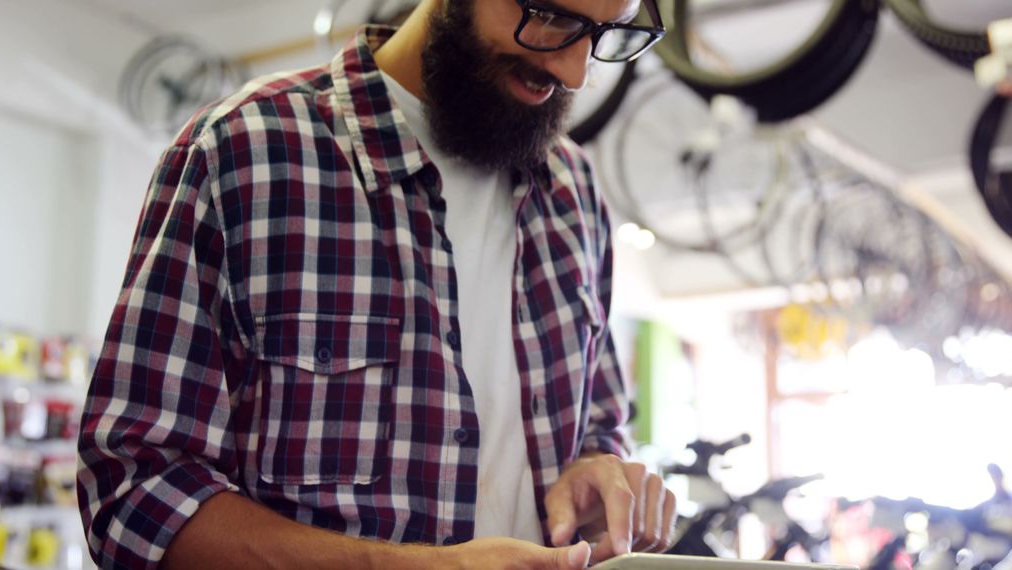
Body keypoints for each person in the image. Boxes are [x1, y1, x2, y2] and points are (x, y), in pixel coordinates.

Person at [77, 0, 675, 568]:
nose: (574, 72)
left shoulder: (574, 194)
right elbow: (134, 495)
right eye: (547, 17)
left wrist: (600, 469)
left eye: (605, 33)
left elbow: (598, 425)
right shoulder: (243, 153)